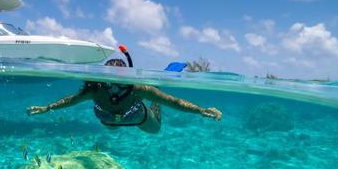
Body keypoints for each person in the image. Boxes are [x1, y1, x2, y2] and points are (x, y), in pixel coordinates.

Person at [26, 45, 222, 133]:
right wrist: (47, 107)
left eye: (120, 78)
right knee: (111, 129)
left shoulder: (137, 88)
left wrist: (200, 110)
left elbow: (172, 101)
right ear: (102, 77)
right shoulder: (95, 89)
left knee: (155, 130)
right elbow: (71, 100)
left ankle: (156, 91)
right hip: (108, 119)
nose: (114, 85)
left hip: (137, 116)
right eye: (110, 79)